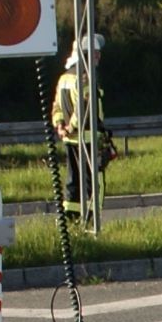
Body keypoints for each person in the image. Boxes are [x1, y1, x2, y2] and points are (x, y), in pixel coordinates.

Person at [51, 37, 106, 216]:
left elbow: (56, 107)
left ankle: (71, 216)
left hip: (70, 140)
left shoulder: (64, 78)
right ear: (85, 55)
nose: (98, 56)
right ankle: (92, 218)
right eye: (95, 53)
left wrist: (60, 126)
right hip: (87, 138)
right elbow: (85, 107)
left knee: (73, 180)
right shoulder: (85, 78)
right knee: (94, 182)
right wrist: (72, 127)